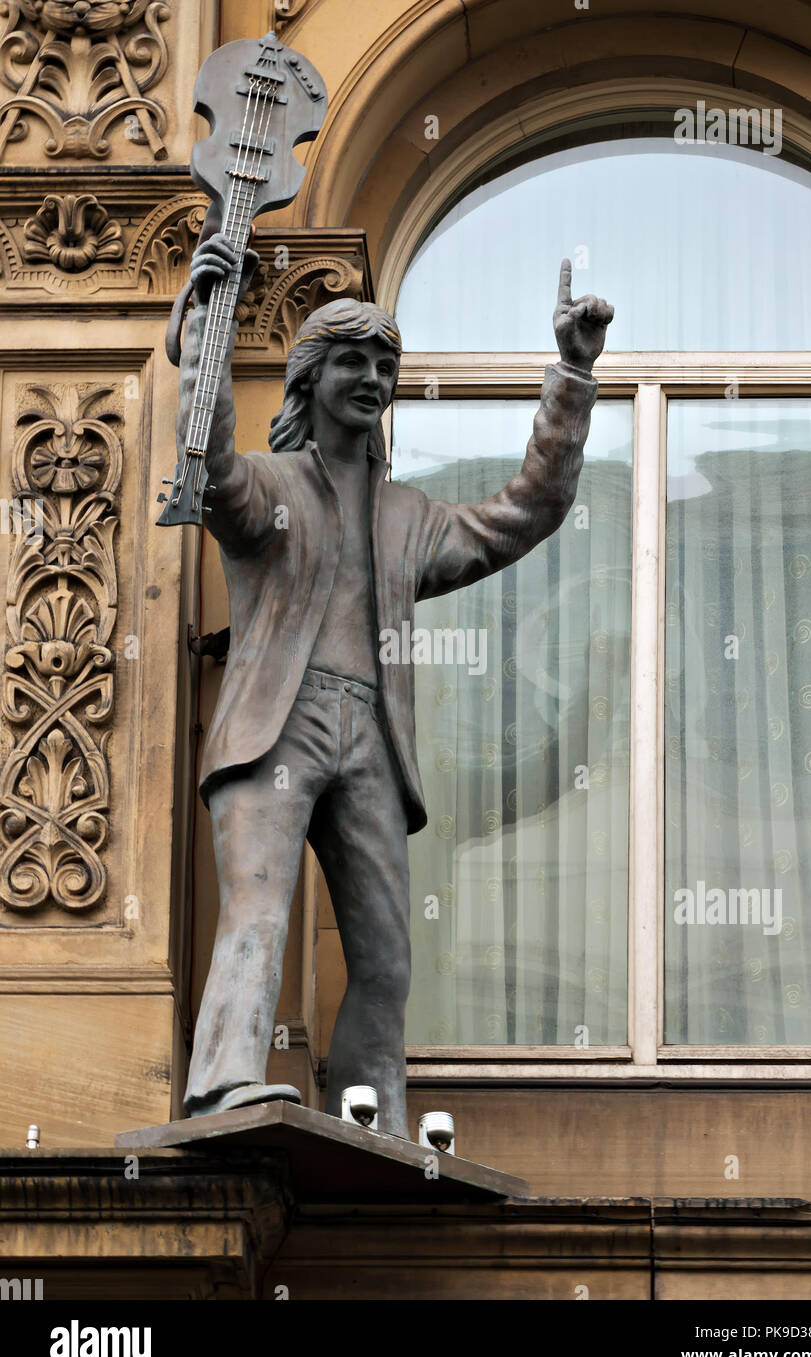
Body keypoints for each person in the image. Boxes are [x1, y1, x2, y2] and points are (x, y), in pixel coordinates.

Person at [179, 231, 613, 1136]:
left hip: (371, 735)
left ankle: (367, 1111)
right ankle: (223, 1083)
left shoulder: (409, 514)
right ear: (310, 378)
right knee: (258, 910)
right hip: (278, 726)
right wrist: (205, 333)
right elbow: (210, 468)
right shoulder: (269, 486)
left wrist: (569, 379)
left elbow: (527, 512)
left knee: (385, 954)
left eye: (385, 365)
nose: (373, 379)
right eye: (352, 362)